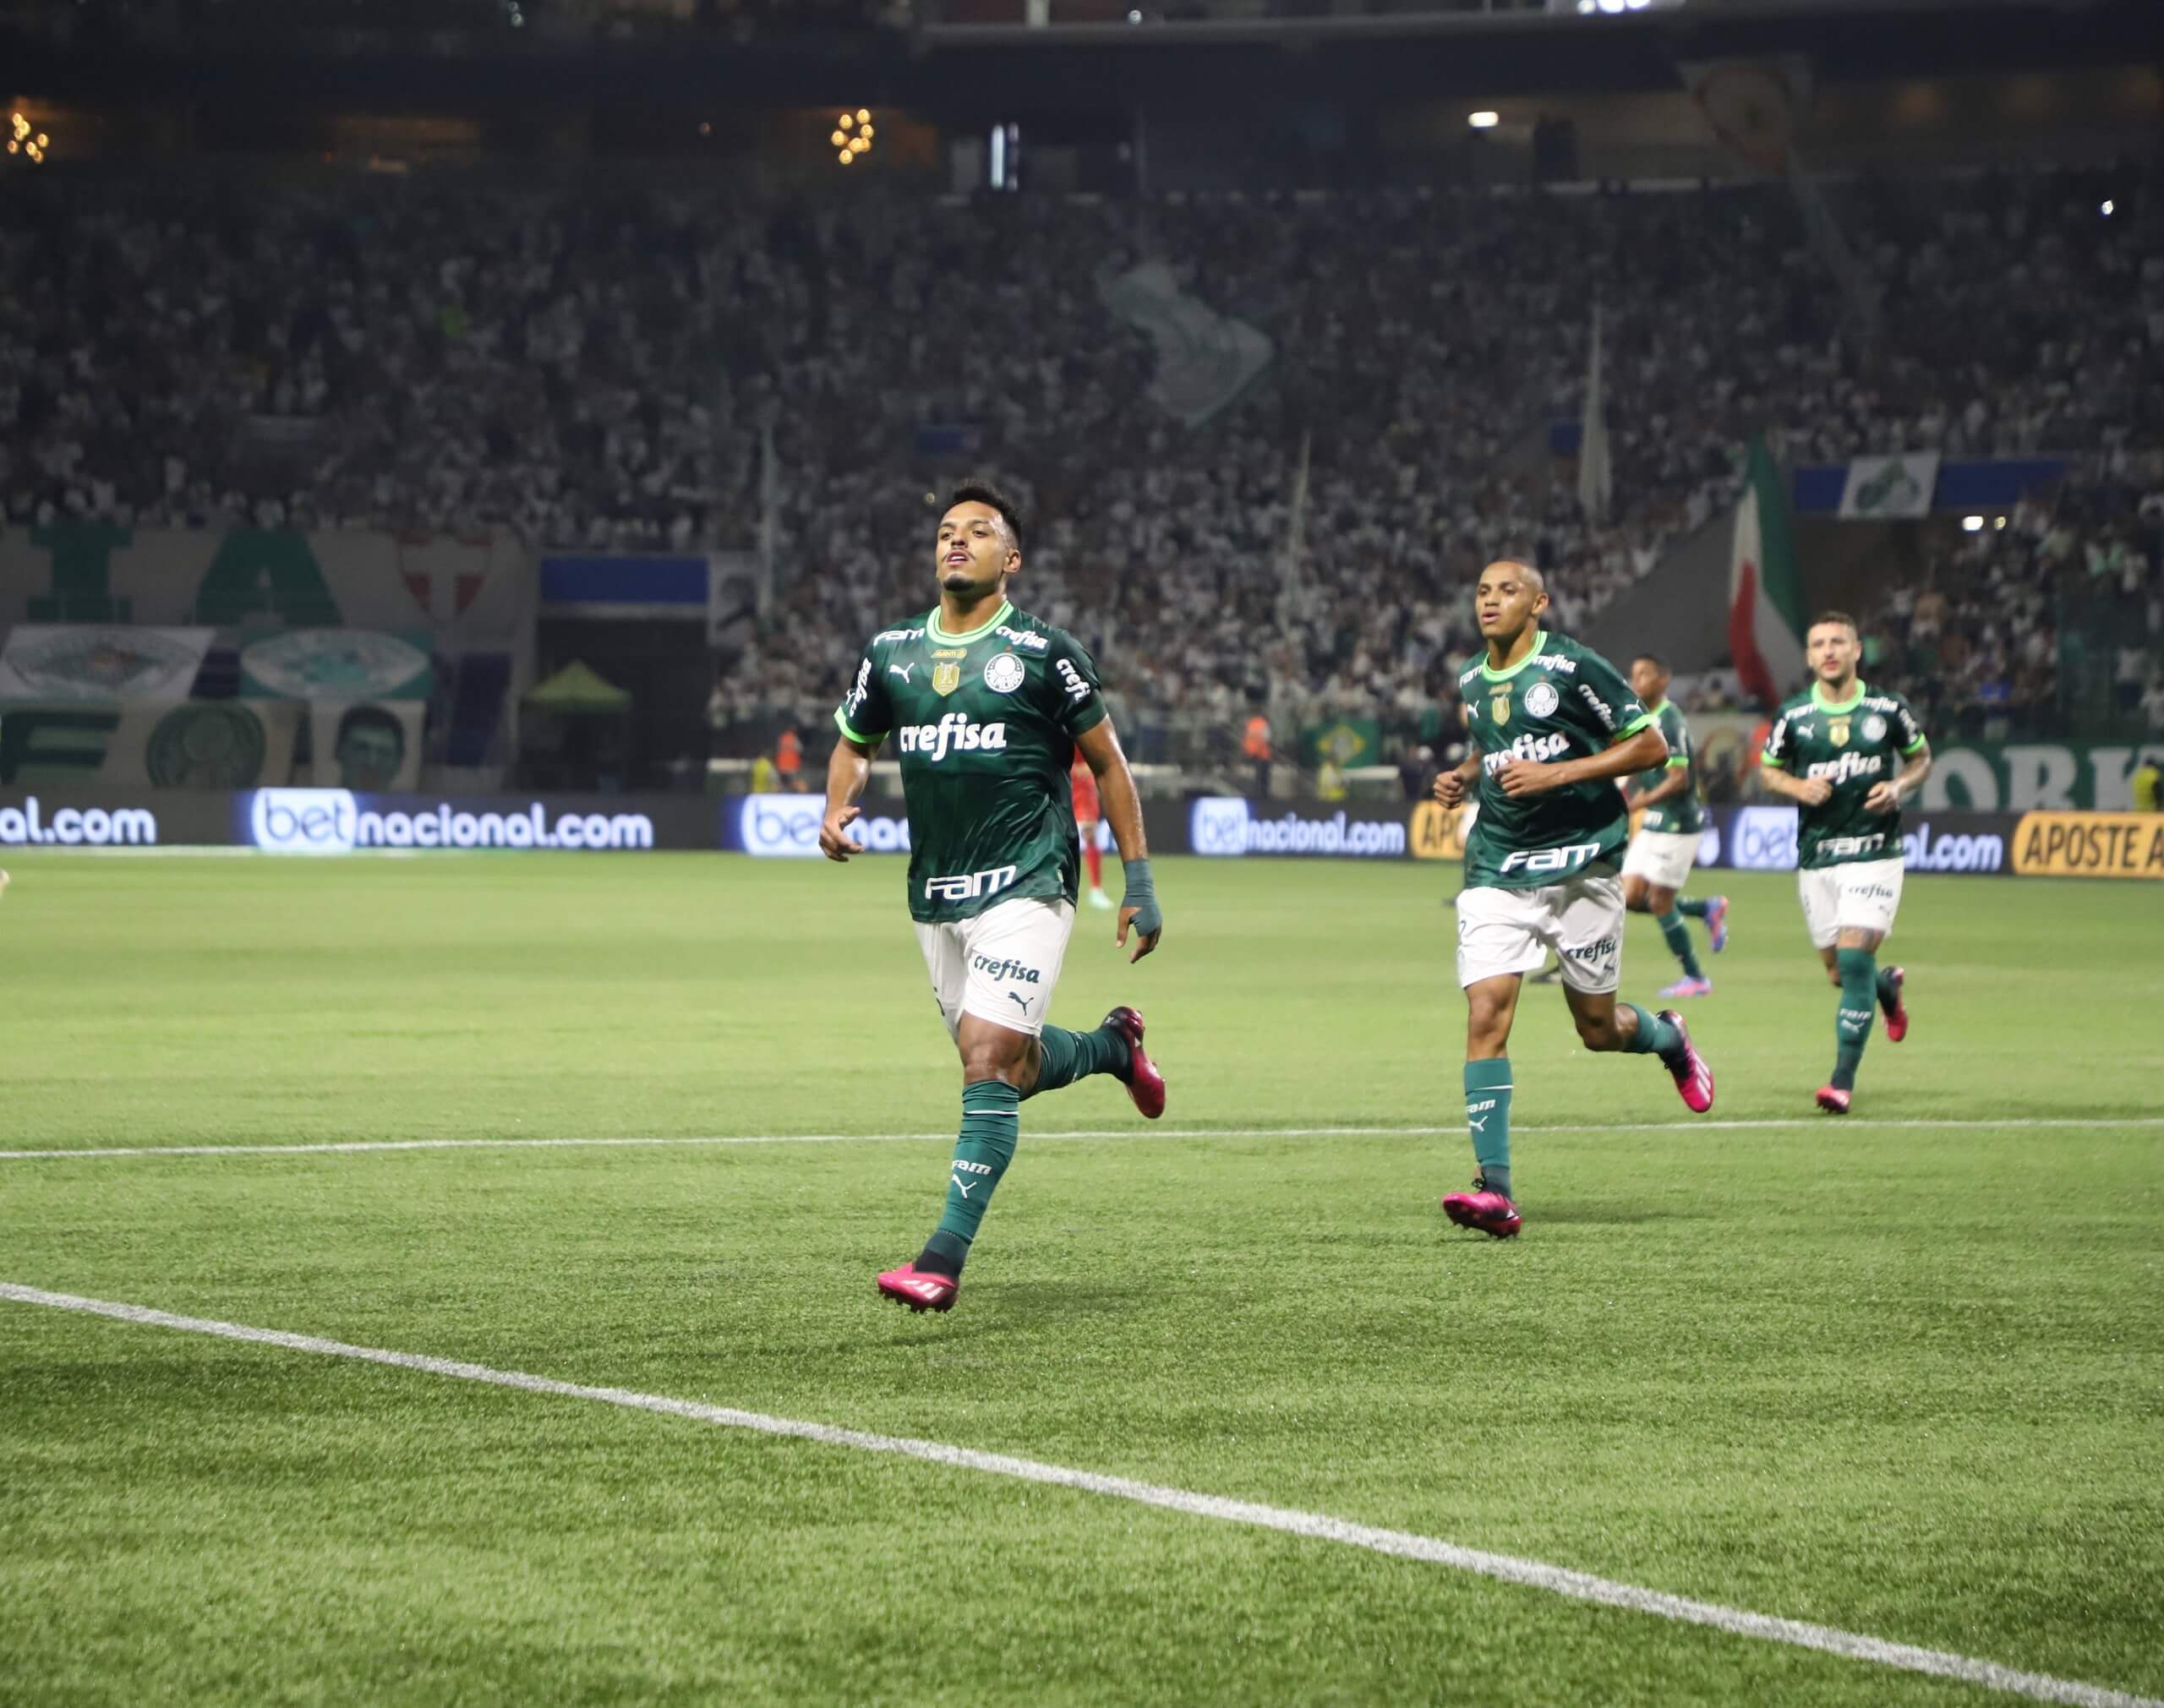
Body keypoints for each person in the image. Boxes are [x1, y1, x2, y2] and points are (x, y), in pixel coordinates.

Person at [822, 483, 1167, 1314]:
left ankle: (940, 1257)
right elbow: (853, 742)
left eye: (979, 532)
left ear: (1010, 559)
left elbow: (1107, 763)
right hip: (936, 891)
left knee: (983, 1056)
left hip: (1029, 877)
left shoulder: (1045, 653)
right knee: (1008, 1065)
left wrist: (1138, 877)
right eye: (945, 530)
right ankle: (1115, 1047)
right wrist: (837, 803)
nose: (956, 541)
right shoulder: (893, 651)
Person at [1429, 561, 1716, 1240]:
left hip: (1584, 860)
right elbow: (1490, 745)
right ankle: (1495, 1191)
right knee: (1486, 1012)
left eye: (1507, 591)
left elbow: (1648, 745)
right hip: (1498, 864)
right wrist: (1463, 776)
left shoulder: (1574, 665)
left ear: (1539, 603)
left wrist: (1558, 771)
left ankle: (1669, 1038)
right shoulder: (1473, 678)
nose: (1491, 601)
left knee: (1597, 1029)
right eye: (1482, 591)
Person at [1756, 611, 1933, 1115]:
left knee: (1854, 961)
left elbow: (1922, 758)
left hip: (1876, 852)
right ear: (1810, 657)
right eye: (1819, 644)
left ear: (1857, 650)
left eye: (1839, 642)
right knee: (1840, 973)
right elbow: (1769, 772)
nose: (1829, 650)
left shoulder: (1887, 708)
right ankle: (1887, 989)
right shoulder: (1794, 716)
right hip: (1818, 856)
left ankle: (1841, 1082)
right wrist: (1797, 785)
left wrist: (1899, 786)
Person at [1618, 653, 1728, 998]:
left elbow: (1678, 779)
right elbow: (1641, 759)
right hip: (1655, 823)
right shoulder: (1641, 718)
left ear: (1663, 680)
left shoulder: (1671, 719)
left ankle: (1696, 977)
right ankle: (1704, 908)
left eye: (1645, 675)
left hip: (1679, 823)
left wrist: (1637, 803)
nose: (1637, 682)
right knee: (1630, 897)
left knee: (1660, 901)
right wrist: (1623, 786)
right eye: (1634, 675)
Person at [1070, 748, 1112, 910]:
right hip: (1062, 776)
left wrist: (1092, 766)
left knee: (1090, 834)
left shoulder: (1086, 724)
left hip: (1083, 783)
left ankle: (1096, 890)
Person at [775, 727, 805, 792]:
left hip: (782, 766)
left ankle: (781, 794)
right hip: (791, 766)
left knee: (782, 784)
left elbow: (778, 750)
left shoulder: (782, 738)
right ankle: (793, 795)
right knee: (793, 783)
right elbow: (800, 749)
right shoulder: (794, 738)